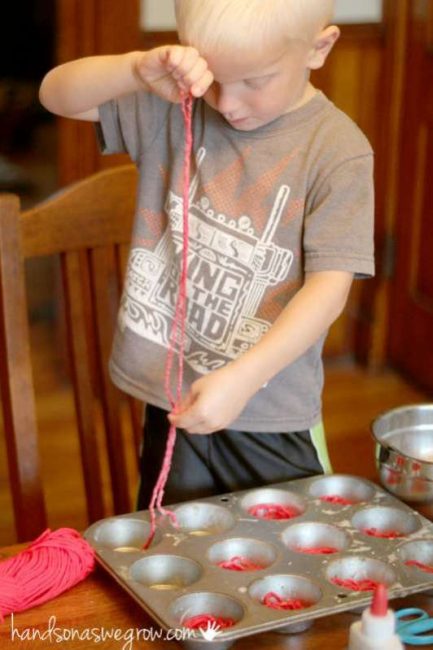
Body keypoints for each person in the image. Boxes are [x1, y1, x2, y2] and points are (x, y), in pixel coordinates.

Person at [39, 0, 374, 509]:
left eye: (254, 81)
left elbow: (328, 291)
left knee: (282, 562)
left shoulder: (337, 150)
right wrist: (134, 68)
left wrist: (243, 377)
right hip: (171, 402)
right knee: (177, 552)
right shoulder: (175, 103)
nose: (227, 102)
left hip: (271, 415)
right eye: (213, 77)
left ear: (319, 48)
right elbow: (54, 94)